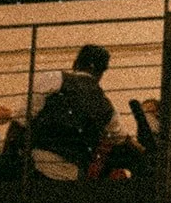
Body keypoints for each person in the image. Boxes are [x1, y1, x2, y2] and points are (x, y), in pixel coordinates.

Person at [27, 44, 125, 179]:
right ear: (101, 73)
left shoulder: (54, 79)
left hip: (38, 165)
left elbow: (23, 117)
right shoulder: (107, 106)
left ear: (75, 64)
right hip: (74, 174)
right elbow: (121, 137)